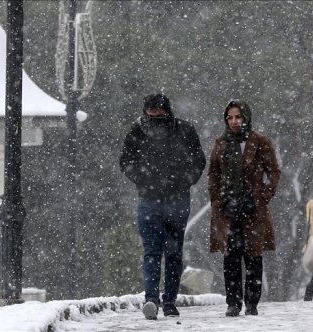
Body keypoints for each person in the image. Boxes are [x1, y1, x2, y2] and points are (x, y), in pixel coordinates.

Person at [119, 93, 206, 320]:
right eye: (151, 109)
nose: (155, 114)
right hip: (150, 200)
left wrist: (182, 181)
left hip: (175, 200)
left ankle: (168, 300)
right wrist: (145, 179)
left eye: (158, 109)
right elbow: (126, 162)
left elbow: (198, 161)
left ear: (166, 109)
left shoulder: (185, 130)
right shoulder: (137, 131)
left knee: (172, 253)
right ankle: (152, 299)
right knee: (153, 252)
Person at [208, 100, 281, 317]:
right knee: (230, 257)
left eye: (238, 116)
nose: (234, 121)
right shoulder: (221, 143)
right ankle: (233, 303)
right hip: (227, 209)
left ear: (246, 117)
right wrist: (217, 200)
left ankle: (252, 303)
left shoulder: (259, 141)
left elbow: (274, 172)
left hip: (253, 209)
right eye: (230, 117)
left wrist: (262, 196)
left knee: (253, 256)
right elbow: (214, 174)